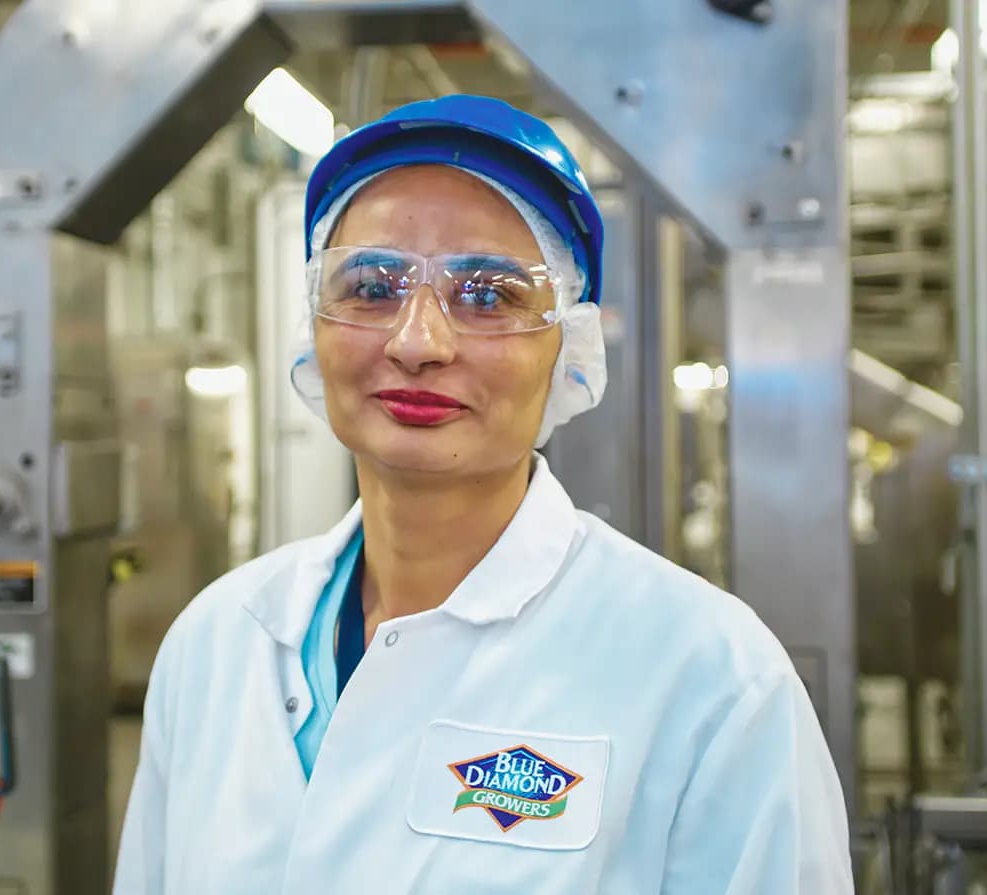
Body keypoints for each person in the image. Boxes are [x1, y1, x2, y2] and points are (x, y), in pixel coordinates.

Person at [114, 94, 852, 894]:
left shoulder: (710, 678)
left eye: (490, 295)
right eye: (370, 286)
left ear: (569, 348)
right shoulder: (218, 644)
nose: (418, 342)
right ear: (312, 330)